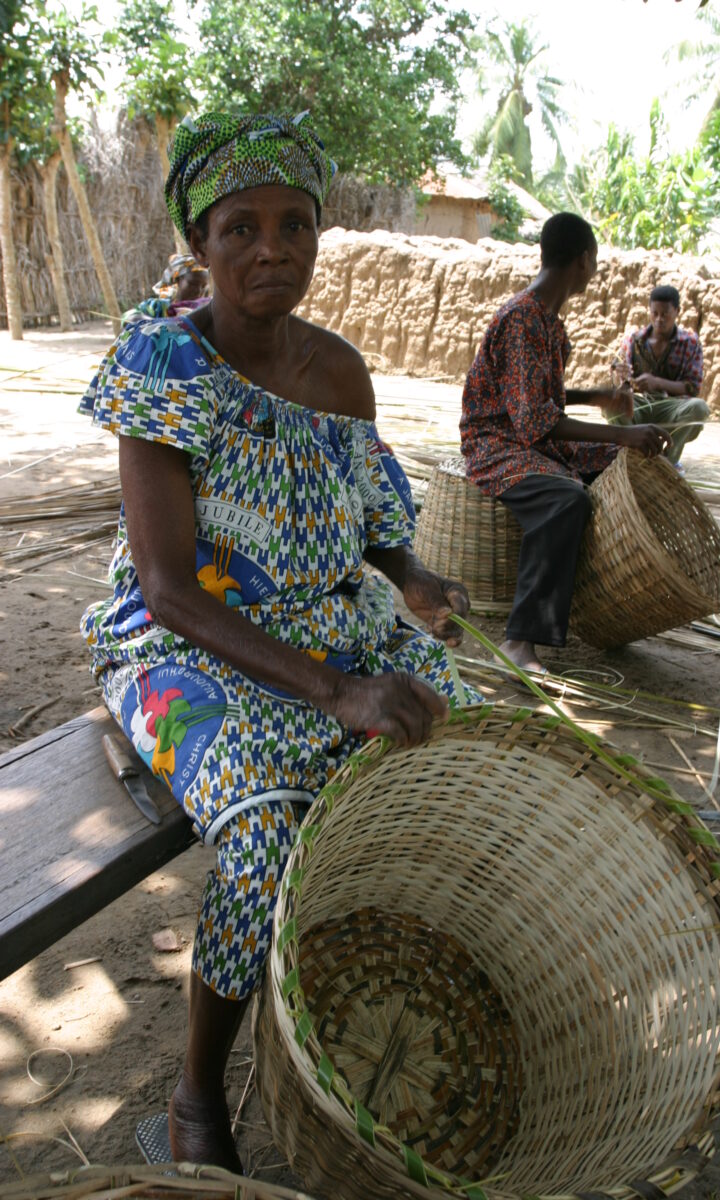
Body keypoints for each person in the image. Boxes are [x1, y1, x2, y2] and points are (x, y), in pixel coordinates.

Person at [78, 110, 476, 1171]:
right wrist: (335, 689)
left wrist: (411, 577)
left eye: (293, 226)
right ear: (200, 247)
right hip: (182, 645)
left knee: (463, 725)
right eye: (241, 229)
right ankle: (199, 1085)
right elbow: (165, 587)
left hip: (320, 620)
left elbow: (375, 520)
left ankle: (350, 964)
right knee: (260, 834)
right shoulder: (165, 361)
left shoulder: (338, 373)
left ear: (317, 239)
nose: (271, 250)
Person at [460, 212, 671, 676]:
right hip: (495, 443)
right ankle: (520, 641)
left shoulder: (547, 321)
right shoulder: (523, 319)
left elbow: (534, 398)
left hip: (525, 436)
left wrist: (595, 398)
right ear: (584, 260)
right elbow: (534, 421)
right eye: (594, 263)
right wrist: (621, 431)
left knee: (625, 463)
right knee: (565, 499)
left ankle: (612, 600)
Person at [609, 284, 708, 472]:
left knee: (699, 408)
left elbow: (693, 388)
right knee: (612, 402)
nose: (659, 319)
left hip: (671, 408)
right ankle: (634, 456)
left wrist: (658, 382)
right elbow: (619, 379)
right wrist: (621, 376)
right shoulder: (634, 340)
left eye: (665, 314)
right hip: (639, 406)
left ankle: (667, 462)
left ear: (677, 312)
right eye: (654, 313)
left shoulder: (690, 343)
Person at [135, 252, 210, 320]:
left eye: (203, 286)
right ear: (177, 280)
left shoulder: (206, 309)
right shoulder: (157, 307)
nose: (199, 291)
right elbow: (128, 317)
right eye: (193, 284)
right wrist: (155, 323)